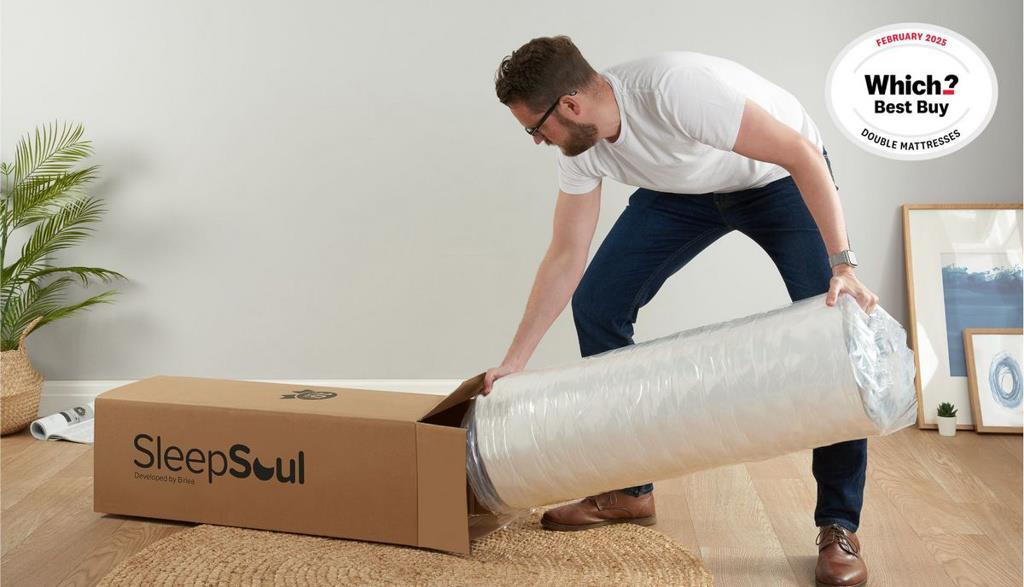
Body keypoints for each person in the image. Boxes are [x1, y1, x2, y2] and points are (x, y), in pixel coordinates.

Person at [485, 36, 877, 587]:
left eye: (535, 128)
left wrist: (843, 264)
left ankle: (838, 524)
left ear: (569, 105)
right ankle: (629, 487)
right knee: (598, 304)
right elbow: (566, 254)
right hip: (684, 194)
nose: (536, 140)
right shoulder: (580, 147)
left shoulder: (675, 90)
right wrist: (515, 361)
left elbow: (801, 155)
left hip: (774, 179)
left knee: (834, 325)